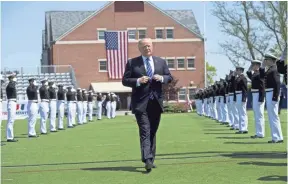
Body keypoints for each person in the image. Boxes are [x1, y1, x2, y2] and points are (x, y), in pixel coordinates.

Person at [122, 38, 173, 172]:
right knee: (145, 130)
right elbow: (125, 80)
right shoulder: (132, 63)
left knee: (152, 131)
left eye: (149, 46)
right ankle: (148, 159)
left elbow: (169, 77)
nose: (147, 48)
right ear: (139, 48)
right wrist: (138, 80)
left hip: (156, 102)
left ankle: (150, 157)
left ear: (152, 46)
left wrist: (161, 78)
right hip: (140, 103)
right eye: (144, 46)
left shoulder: (161, 62)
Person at [260, 53, 283, 143]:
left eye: (267, 60)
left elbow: (277, 84)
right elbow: (262, 77)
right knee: (272, 116)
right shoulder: (270, 69)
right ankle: (277, 137)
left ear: (271, 60)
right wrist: (262, 67)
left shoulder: (274, 69)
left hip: (272, 93)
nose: (266, 61)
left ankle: (277, 137)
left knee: (273, 116)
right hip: (269, 92)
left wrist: (275, 96)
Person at [246, 60, 265, 138]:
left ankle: (260, 133)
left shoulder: (260, 74)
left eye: (254, 65)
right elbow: (248, 73)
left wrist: (261, 98)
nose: (252, 66)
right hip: (255, 94)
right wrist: (250, 67)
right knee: (256, 114)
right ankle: (258, 133)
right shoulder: (255, 74)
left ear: (257, 66)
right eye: (252, 65)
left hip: (258, 94)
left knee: (259, 114)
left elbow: (262, 86)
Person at [234, 66, 248, 134]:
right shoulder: (238, 78)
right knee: (240, 112)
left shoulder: (243, 78)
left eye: (238, 70)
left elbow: (245, 89)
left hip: (241, 95)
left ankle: (243, 128)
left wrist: (244, 98)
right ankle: (241, 128)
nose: (236, 71)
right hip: (238, 95)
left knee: (242, 112)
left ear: (241, 71)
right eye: (236, 70)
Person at [6, 73, 18, 142]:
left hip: (13, 102)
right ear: (11, 79)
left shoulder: (11, 84)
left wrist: (13, 81)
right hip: (11, 102)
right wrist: (12, 81)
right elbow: (12, 87)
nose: (15, 79)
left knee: (12, 120)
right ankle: (10, 137)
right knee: (10, 120)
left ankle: (10, 136)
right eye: (13, 77)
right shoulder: (10, 85)